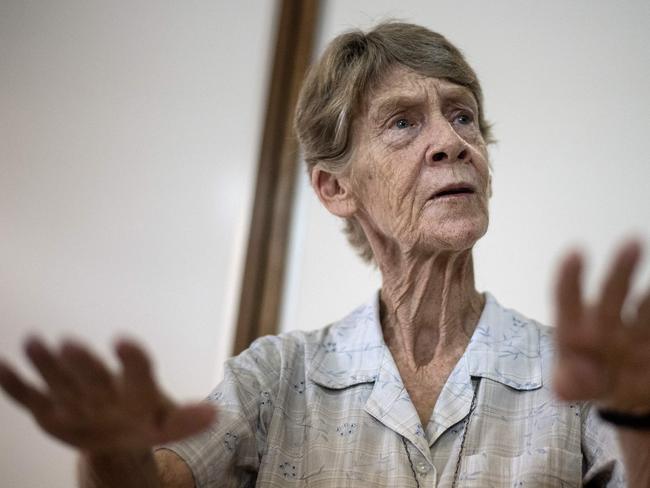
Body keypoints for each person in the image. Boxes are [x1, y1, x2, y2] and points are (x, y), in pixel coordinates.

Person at [1, 21, 649, 488]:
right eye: (402, 122)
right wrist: (113, 452)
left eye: (463, 116)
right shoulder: (275, 379)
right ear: (334, 186)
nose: (451, 143)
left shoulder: (578, 376)